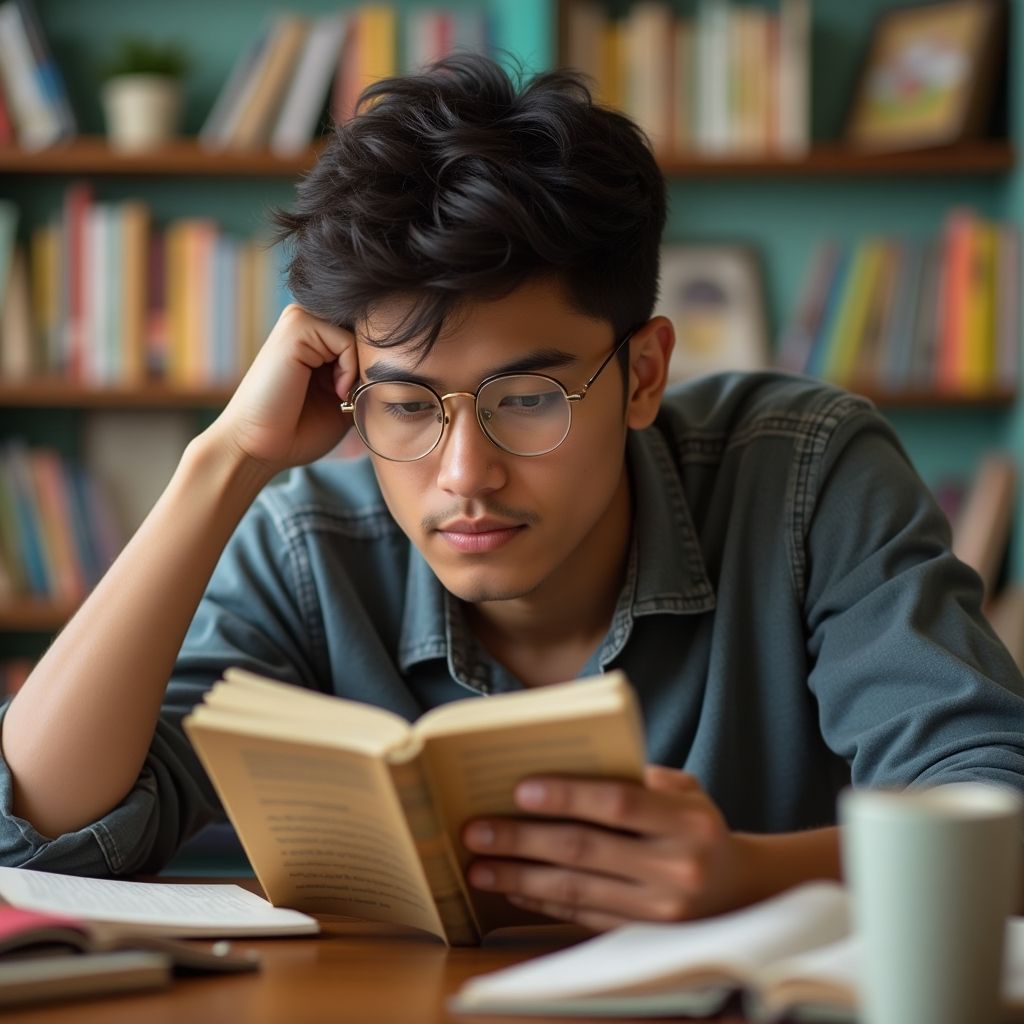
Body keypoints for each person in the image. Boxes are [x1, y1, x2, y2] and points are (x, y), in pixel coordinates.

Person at [2, 55, 1023, 931]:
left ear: (643, 374)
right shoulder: (308, 544)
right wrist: (220, 461)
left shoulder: (805, 474)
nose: (464, 474)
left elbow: (994, 805)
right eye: (404, 406)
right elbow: (35, 833)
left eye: (528, 396)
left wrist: (749, 876)